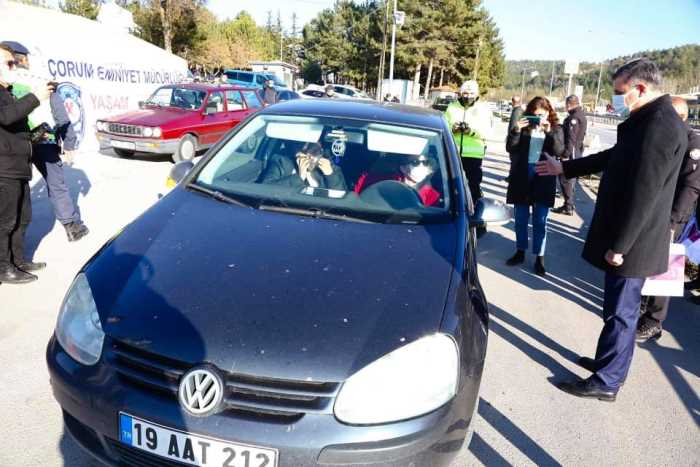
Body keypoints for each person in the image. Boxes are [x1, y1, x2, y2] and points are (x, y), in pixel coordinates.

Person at [535, 59, 687, 401]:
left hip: (633, 240)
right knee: (617, 310)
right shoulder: (647, 119)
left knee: (621, 313)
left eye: (620, 92)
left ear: (641, 88)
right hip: (630, 236)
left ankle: (607, 382)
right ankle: (608, 365)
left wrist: (620, 245)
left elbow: (644, 194)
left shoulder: (660, 125)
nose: (615, 98)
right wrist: (566, 166)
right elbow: (613, 157)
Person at [4, 41, 89, 243]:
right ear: (24, 58)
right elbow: (61, 117)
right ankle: (72, 226)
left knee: (17, 189)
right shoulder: (42, 80)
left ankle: (15, 241)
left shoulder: (5, 83)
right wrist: (69, 144)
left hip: (15, 143)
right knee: (57, 184)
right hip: (43, 139)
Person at [636, 96, 700, 341]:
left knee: (665, 268)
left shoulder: (693, 143)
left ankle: (655, 321)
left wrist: (673, 220)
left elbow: (691, 187)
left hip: (672, 216)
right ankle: (643, 307)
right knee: (649, 262)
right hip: (656, 210)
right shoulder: (671, 136)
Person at [0, 43, 52, 284]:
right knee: (6, 221)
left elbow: (13, 128)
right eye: (9, 63)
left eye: (15, 62)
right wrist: (36, 98)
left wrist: (34, 137)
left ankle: (18, 260)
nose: (15, 67)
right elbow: (7, 117)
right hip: (4, 170)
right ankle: (3, 268)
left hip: (18, 167)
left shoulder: (7, 92)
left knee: (23, 217)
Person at [505, 96, 564, 276]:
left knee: (540, 221)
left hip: (544, 175)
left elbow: (560, 151)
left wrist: (550, 132)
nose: (539, 118)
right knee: (521, 219)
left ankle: (540, 257)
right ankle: (520, 251)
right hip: (523, 175)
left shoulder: (556, 128)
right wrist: (516, 130)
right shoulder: (524, 127)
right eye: (535, 115)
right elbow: (511, 148)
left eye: (542, 114)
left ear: (549, 113)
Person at [444, 80, 491, 204]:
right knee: (450, 185)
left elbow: (487, 132)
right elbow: (444, 127)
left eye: (471, 93)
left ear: (476, 94)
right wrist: (452, 129)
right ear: (460, 93)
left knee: (472, 186)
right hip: (453, 153)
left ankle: (474, 213)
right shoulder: (452, 107)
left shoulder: (483, 109)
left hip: (473, 156)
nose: (468, 96)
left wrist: (471, 131)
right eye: (465, 93)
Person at [354, 153, 441, 207]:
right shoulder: (373, 179)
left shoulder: (433, 196)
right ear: (403, 168)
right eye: (416, 162)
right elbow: (356, 202)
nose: (422, 166)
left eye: (426, 163)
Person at [552, 95, 587, 216]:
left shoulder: (574, 117)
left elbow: (571, 139)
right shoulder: (580, 114)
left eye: (566, 105)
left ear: (569, 104)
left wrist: (566, 154)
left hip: (571, 153)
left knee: (565, 179)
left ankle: (568, 206)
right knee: (569, 180)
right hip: (576, 151)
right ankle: (568, 205)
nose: (565, 107)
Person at [261, 141, 346, 190]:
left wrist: (330, 175)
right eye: (305, 153)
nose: (311, 158)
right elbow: (266, 189)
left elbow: (343, 197)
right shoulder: (282, 162)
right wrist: (299, 177)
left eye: (315, 151)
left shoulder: (328, 165)